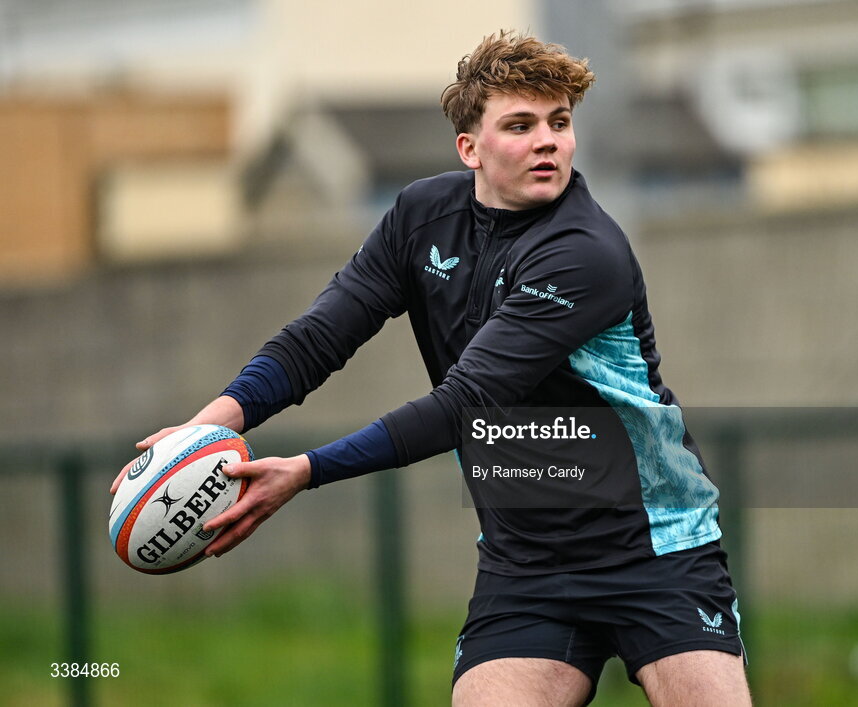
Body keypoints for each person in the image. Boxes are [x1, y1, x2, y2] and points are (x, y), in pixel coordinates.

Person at [112, 30, 752, 707]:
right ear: (469, 147)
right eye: (521, 124)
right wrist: (203, 431)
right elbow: (317, 339)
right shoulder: (421, 220)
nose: (550, 141)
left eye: (560, 123)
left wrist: (304, 470)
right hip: (525, 562)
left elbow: (465, 403)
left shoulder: (585, 254)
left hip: (654, 548)